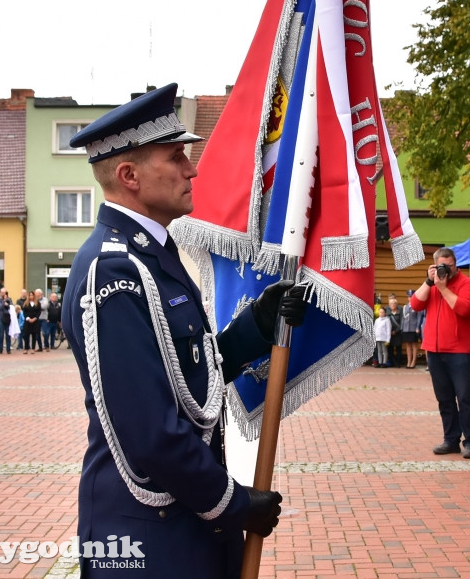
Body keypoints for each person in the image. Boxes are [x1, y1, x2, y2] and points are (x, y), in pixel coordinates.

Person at [62, 83, 304, 577]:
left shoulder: (151, 252)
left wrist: (256, 326)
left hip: (184, 522)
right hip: (149, 531)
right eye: (175, 158)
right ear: (128, 176)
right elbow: (149, 427)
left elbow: (185, 372)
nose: (192, 169)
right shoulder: (112, 269)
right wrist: (234, 502)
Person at [409, 247, 470, 459]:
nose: (446, 270)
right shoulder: (433, 284)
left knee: (465, 397)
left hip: (460, 351)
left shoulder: (466, 284)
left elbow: (465, 309)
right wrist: (429, 282)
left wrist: (444, 288)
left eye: (449, 266)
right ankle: (451, 440)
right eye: (442, 266)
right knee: (445, 399)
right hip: (434, 349)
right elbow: (415, 304)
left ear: (455, 264)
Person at [401, 289, 422, 368]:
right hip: (406, 328)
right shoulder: (405, 307)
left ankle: (413, 362)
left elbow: (419, 317)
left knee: (414, 345)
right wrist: (402, 328)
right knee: (408, 345)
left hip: (413, 328)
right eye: (409, 296)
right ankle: (408, 362)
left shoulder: (417, 306)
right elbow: (403, 318)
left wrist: (418, 327)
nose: (410, 298)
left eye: (411, 296)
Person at [385, 294, 403, 367]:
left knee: (398, 349)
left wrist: (395, 331)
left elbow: (402, 322)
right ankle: (392, 363)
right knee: (390, 349)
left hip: (398, 333)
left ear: (397, 304)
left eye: (394, 303)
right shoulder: (386, 311)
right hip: (389, 334)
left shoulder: (400, 310)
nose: (393, 305)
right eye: (391, 304)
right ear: (389, 304)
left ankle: (398, 363)